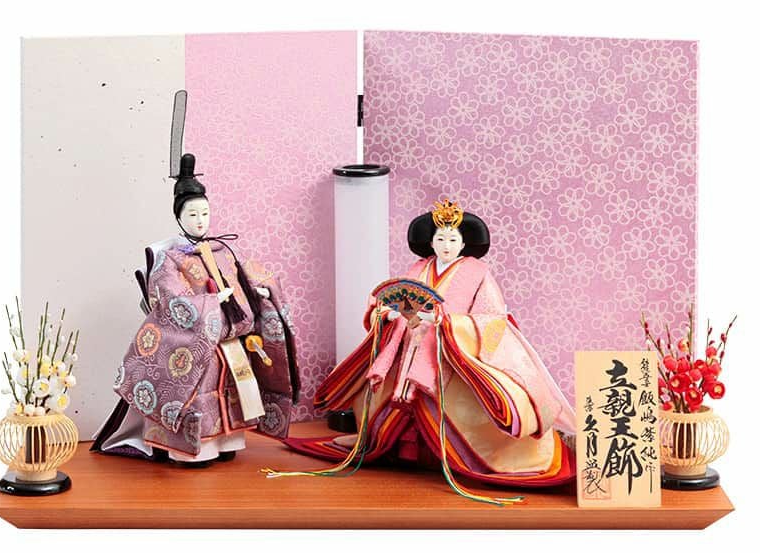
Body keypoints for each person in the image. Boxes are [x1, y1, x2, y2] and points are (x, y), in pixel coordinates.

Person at [273, 200, 575, 502]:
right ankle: (408, 453)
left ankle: (460, 456)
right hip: (409, 347)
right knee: (385, 396)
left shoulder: (477, 273)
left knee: (460, 407)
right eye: (440, 239)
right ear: (430, 242)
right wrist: (389, 314)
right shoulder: (419, 269)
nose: (446, 245)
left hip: (451, 354)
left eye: (453, 239)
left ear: (464, 243)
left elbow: (491, 319)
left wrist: (447, 323)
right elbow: (391, 303)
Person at [93, 153, 300, 464]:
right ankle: (196, 451)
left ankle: (228, 441)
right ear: (179, 217)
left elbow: (245, 277)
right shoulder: (171, 258)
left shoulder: (222, 251)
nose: (200, 220)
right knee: (199, 389)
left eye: (205, 213)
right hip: (197, 343)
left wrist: (259, 291)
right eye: (192, 214)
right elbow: (170, 298)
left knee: (232, 389)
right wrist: (212, 302)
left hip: (229, 341)